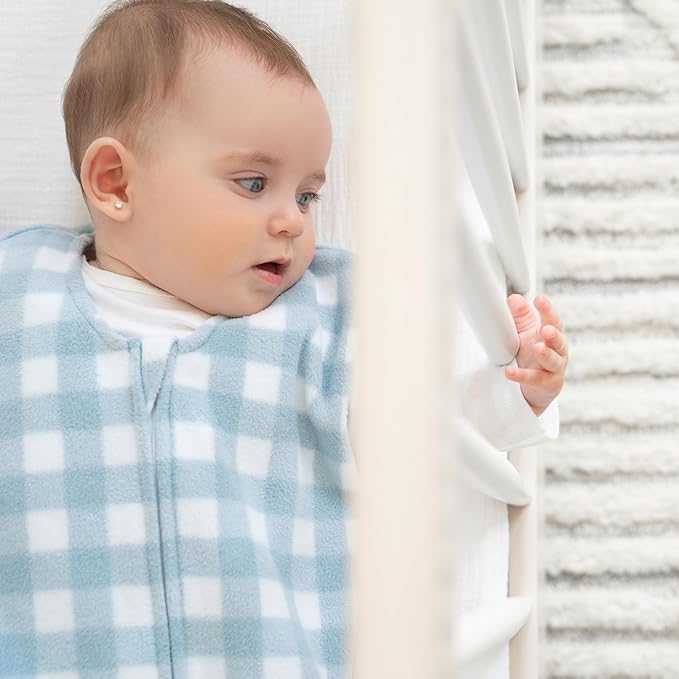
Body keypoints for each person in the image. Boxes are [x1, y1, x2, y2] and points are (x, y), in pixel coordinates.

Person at [0, 1, 568, 677]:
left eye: (306, 195)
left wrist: (514, 388)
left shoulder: (322, 322)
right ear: (115, 183)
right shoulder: (20, 297)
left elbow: (424, 435)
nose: (292, 222)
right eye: (253, 183)